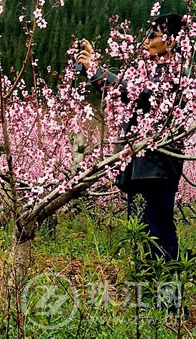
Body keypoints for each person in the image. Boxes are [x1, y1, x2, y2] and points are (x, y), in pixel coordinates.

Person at [77, 13, 187, 262]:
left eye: (153, 35)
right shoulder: (151, 71)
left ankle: (168, 299)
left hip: (158, 167)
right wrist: (92, 71)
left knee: (159, 231)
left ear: (170, 41)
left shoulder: (176, 74)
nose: (146, 40)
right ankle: (146, 295)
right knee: (141, 234)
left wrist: (96, 70)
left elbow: (141, 94)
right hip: (139, 168)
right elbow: (127, 90)